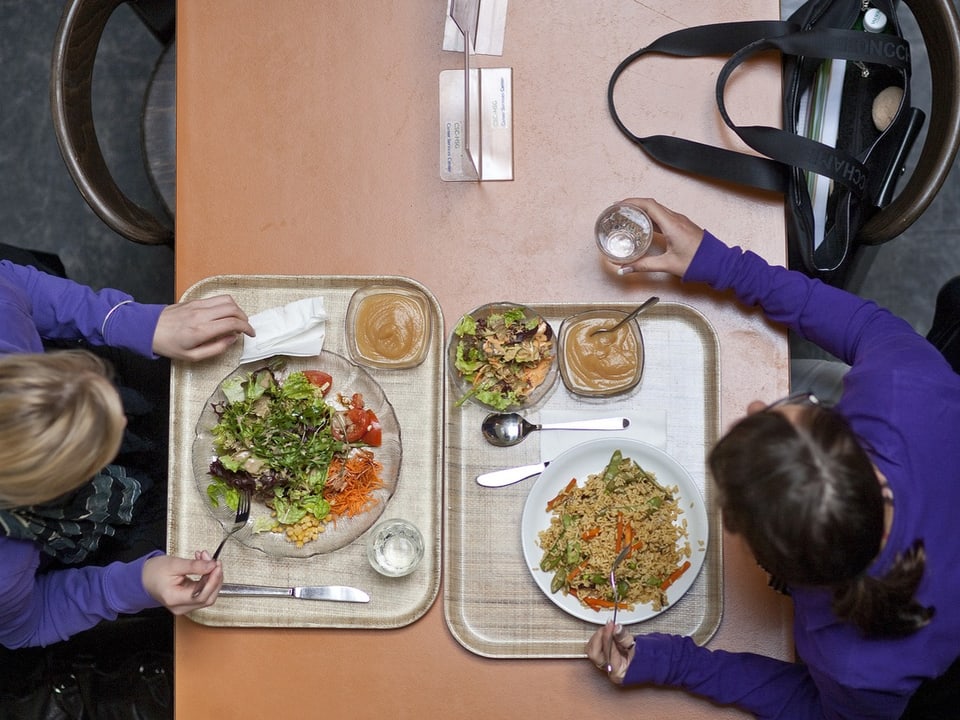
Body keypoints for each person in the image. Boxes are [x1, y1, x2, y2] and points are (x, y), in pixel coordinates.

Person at [585, 198, 960, 719]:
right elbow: (862, 325)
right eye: (792, 409)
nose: (757, 404)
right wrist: (718, 262)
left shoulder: (855, 665)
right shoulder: (905, 388)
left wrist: (673, 663)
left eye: (772, 412)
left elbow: (814, 708)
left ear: (776, 570)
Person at [0, 256, 255, 649]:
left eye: (89, 384)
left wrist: (132, 322)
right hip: (99, 541)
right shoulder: (6, 571)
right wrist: (135, 584)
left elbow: (10, 281)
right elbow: (28, 623)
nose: (122, 419)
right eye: (95, 448)